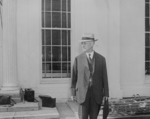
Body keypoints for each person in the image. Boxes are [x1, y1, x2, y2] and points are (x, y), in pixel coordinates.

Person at [71, 33, 109, 119]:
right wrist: (73, 93)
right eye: (82, 43)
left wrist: (106, 94)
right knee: (83, 117)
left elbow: (105, 78)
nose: (82, 45)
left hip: (96, 95)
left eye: (85, 43)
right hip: (83, 95)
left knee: (94, 117)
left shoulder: (101, 59)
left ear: (92, 43)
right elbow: (74, 77)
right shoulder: (78, 59)